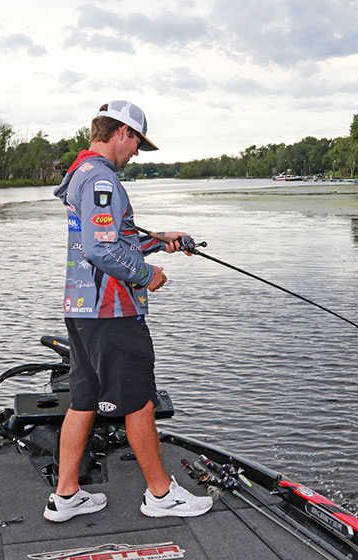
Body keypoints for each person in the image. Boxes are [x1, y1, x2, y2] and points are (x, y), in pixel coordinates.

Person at [44, 100, 213, 522]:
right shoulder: (102, 179)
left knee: (82, 400)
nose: (136, 152)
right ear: (121, 132)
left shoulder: (81, 175)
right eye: (137, 141)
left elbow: (108, 238)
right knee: (139, 400)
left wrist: (160, 240)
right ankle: (160, 494)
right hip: (112, 311)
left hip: (82, 308)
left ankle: (66, 496)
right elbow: (102, 248)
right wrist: (145, 273)